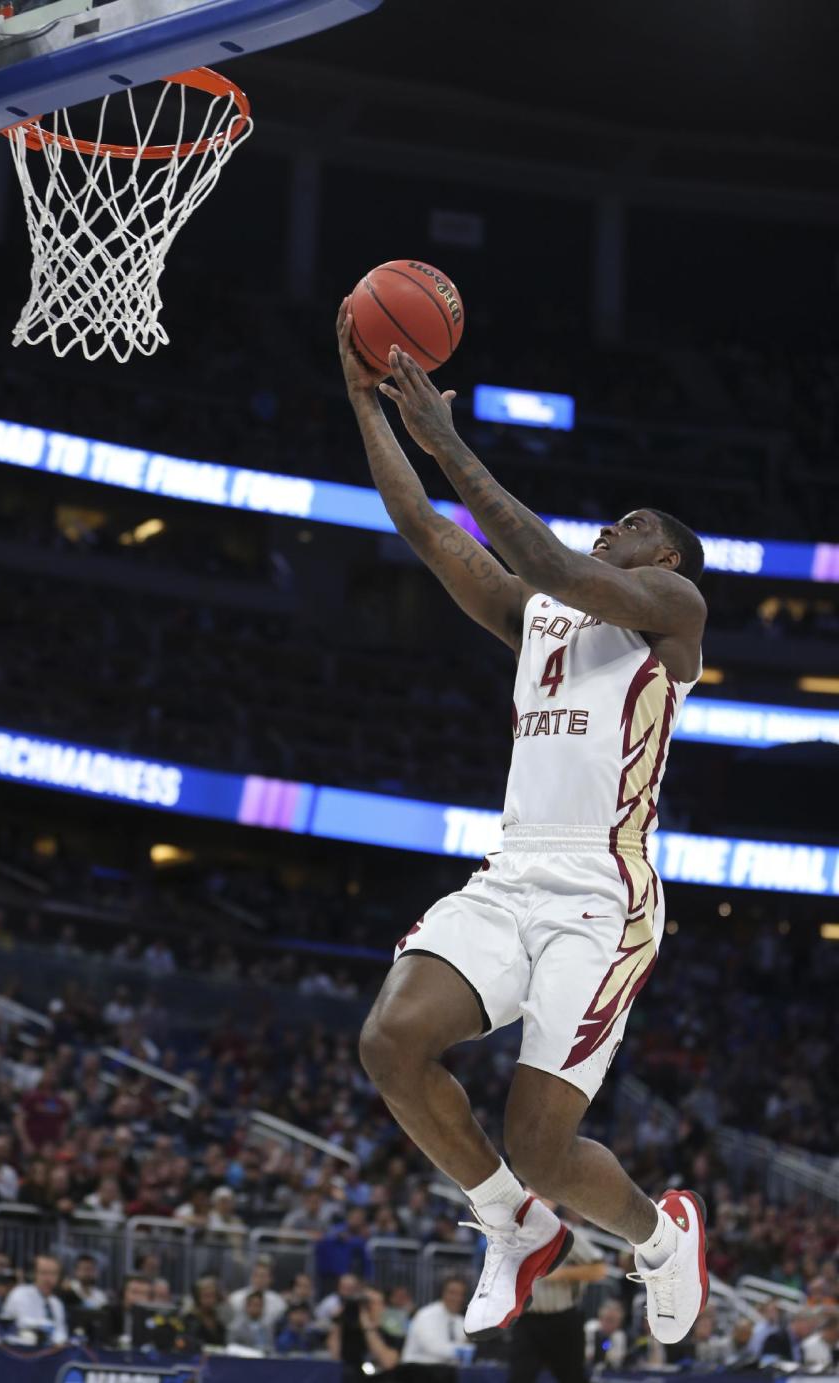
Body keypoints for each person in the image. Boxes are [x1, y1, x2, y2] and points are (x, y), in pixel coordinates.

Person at [337, 302, 709, 1348]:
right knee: (391, 1043)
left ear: (670, 563)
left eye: (636, 526)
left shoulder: (672, 621)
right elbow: (421, 525)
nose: (615, 530)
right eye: (614, 523)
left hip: (604, 892)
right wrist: (364, 395)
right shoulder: (542, 617)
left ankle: (657, 1237)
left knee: (544, 1142)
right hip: (513, 874)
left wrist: (449, 438)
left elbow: (551, 562)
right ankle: (513, 1224)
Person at [509, 1218, 608, 1383]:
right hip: (526, 1319)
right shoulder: (510, 1233)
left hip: (563, 1320)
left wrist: (561, 1274)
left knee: (572, 1378)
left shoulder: (565, 1232)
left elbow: (599, 1270)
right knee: (518, 1378)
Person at [329, 1285, 402, 1381]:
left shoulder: (392, 1330)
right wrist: (338, 1321)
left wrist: (367, 1326)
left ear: (383, 1306)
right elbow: (335, 1356)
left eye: (371, 1302)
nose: (366, 1307)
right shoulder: (351, 1330)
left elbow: (388, 1363)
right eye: (364, 1303)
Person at [1, 1254, 68, 1344]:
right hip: (22, 1352)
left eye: (53, 1273)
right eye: (44, 1273)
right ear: (34, 1274)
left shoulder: (57, 1303)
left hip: (51, 1353)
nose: (48, 1279)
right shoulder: (20, 1294)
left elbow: (61, 1334)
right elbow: (24, 1327)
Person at [401, 1276, 468, 1364]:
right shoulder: (426, 1315)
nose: (457, 1298)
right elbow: (433, 1347)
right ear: (442, 1293)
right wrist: (463, 1350)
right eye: (452, 1293)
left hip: (445, 1372)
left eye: (461, 1294)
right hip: (416, 1371)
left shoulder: (461, 1321)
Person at [227, 1259, 287, 1329]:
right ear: (251, 1277)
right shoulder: (236, 1297)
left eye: (263, 1276)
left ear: (271, 1279)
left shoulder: (279, 1302)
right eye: (256, 1275)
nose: (260, 1279)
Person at [585, 1298, 629, 1369]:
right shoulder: (590, 1329)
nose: (610, 1325)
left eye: (615, 1321)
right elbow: (587, 1355)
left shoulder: (619, 1336)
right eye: (608, 1319)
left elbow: (617, 1363)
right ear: (600, 1318)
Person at [186, 1275, 227, 1347]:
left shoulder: (219, 1319)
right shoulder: (190, 1319)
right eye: (206, 1296)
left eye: (212, 1296)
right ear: (198, 1298)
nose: (210, 1300)